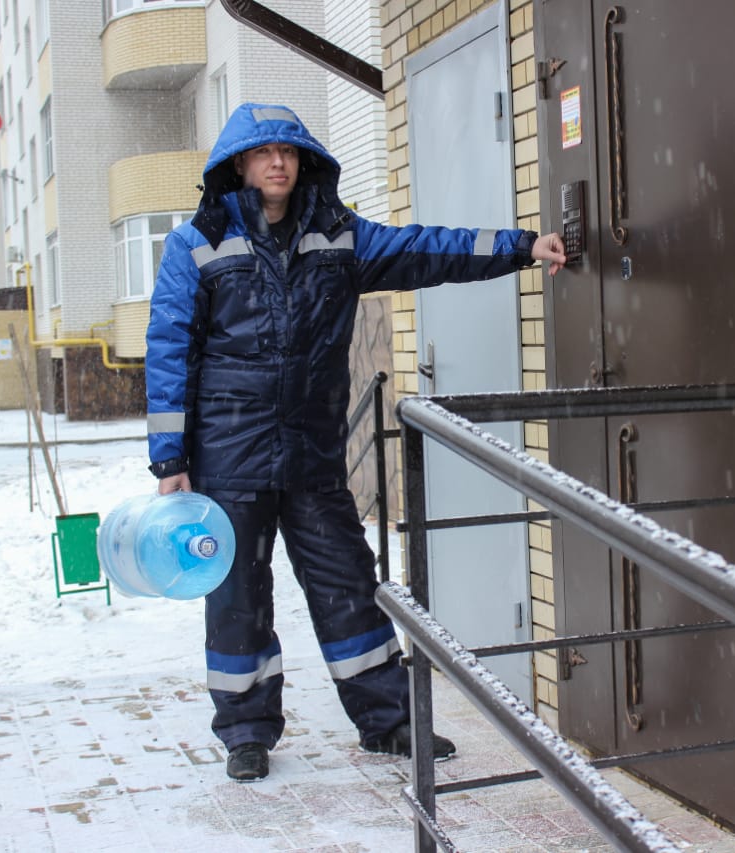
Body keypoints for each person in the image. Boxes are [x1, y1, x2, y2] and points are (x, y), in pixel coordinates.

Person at [145, 102, 567, 782]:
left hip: (311, 455)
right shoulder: (197, 241)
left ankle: (389, 720)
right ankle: (246, 731)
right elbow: (167, 345)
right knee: (236, 598)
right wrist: (170, 459)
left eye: (288, 150)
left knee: (349, 584)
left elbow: (428, 249)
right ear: (238, 166)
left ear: (303, 162)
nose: (278, 161)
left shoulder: (339, 237)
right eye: (263, 152)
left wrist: (523, 247)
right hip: (228, 458)